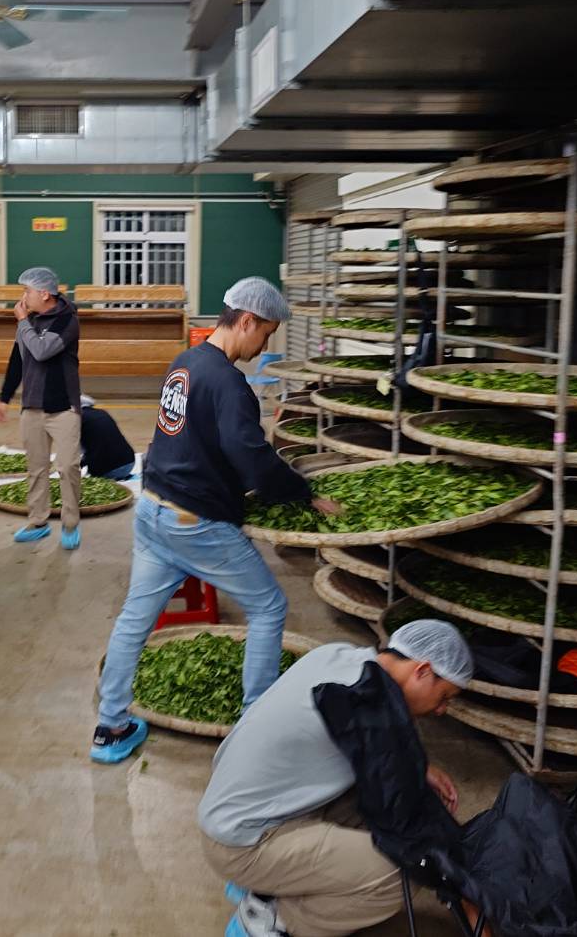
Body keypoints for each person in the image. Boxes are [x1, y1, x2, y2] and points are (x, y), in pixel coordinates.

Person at [91, 276, 340, 765]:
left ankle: (110, 725)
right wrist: (303, 493)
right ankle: (254, 729)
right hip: (194, 522)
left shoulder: (185, 363)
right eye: (265, 333)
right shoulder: (229, 383)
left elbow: (188, 437)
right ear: (246, 321)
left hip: (153, 508)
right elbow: (251, 458)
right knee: (268, 607)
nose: (263, 345)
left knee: (134, 620)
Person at [199, 621, 474, 937]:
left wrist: (419, 768)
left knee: (389, 809)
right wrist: (464, 886)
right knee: (405, 872)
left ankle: (277, 880)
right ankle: (270, 917)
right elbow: (405, 811)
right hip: (242, 845)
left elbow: (382, 752)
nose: (442, 710)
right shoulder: (366, 703)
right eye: (444, 697)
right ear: (422, 671)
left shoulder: (341, 657)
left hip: (232, 811)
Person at [0, 266, 83, 550]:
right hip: (32, 406)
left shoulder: (67, 320)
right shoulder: (29, 320)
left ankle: (70, 523)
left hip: (63, 408)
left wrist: (23, 322)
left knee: (68, 466)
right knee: (36, 468)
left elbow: (42, 351)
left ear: (44, 294)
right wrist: (5, 396)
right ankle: (38, 522)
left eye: (27, 291)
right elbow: (18, 358)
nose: (23, 297)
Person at [79, 394, 135, 480]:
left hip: (110, 471)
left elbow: (75, 453)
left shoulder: (76, 419)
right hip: (129, 463)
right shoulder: (101, 412)